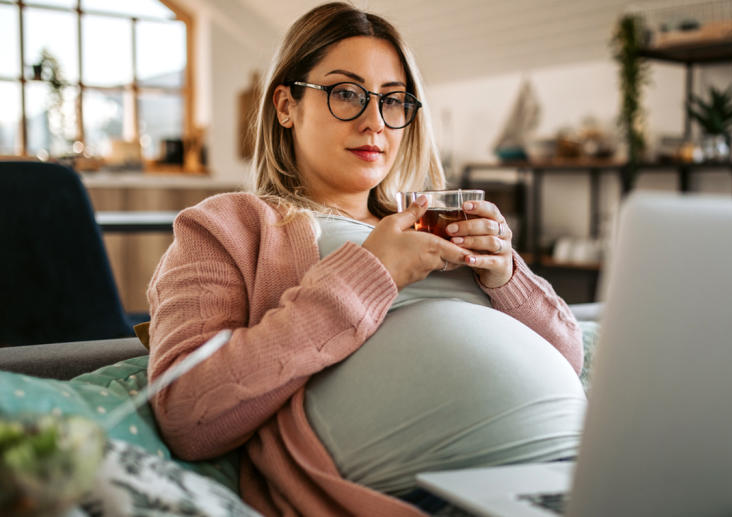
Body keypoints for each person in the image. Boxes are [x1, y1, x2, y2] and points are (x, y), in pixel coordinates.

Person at [146, 3, 585, 516]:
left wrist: (507, 275)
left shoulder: (431, 217)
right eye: (346, 94)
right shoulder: (230, 225)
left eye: (393, 101)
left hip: (584, 467)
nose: (375, 121)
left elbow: (569, 357)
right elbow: (188, 413)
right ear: (286, 106)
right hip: (439, 497)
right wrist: (371, 274)